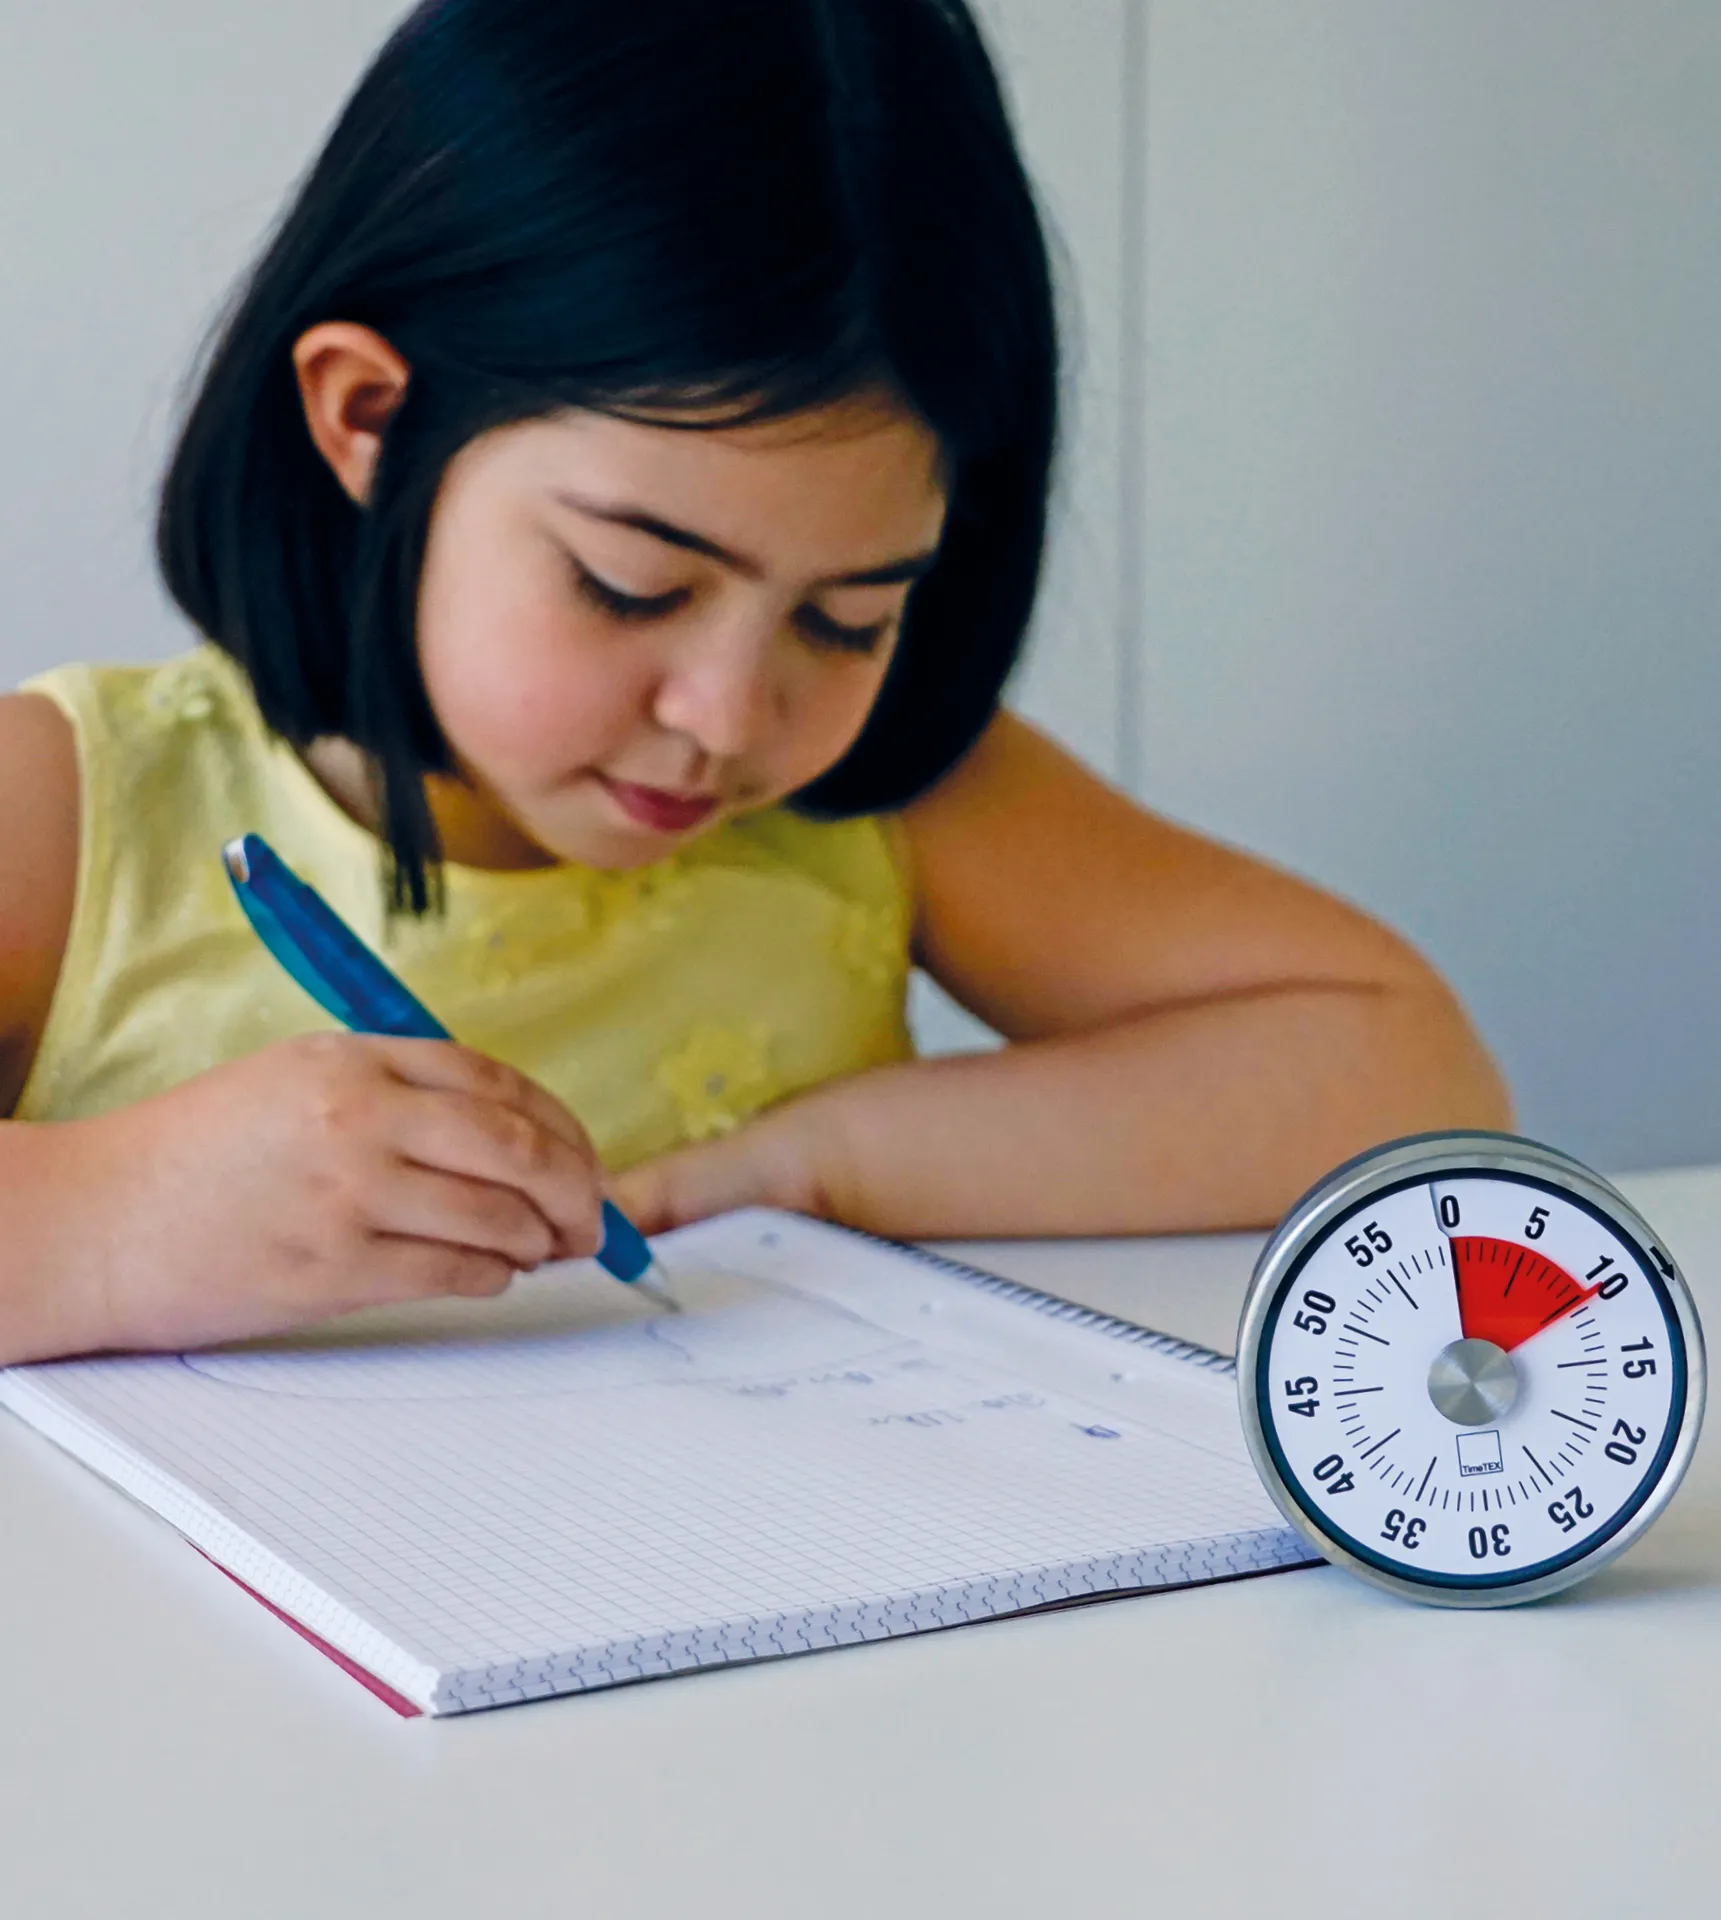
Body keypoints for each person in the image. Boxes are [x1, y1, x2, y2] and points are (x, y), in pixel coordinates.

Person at [0, 0, 1509, 1366]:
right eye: (632, 585)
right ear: (373, 418)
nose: (730, 720)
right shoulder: (76, 814)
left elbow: (1405, 1068)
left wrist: (817, 1166)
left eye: (849, 620)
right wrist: (117, 1220)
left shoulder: (884, 804)